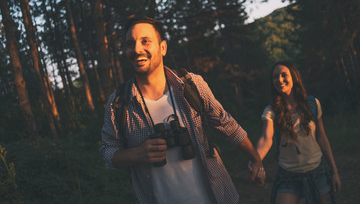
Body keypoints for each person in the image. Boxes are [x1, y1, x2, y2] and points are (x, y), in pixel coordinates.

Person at [100, 16, 265, 204]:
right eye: (130, 44)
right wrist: (139, 153)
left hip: (216, 197)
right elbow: (108, 151)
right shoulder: (119, 103)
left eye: (145, 41)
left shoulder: (191, 85)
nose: (137, 49)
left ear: (163, 48)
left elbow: (226, 125)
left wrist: (256, 158)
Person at [254, 61, 341, 204]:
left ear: (294, 77)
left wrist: (335, 172)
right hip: (288, 175)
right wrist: (256, 161)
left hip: (316, 171)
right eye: (275, 77)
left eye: (284, 75)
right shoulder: (271, 111)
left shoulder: (313, 104)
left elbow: (322, 139)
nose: (280, 80)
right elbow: (266, 138)